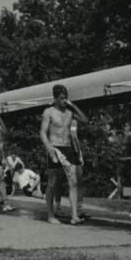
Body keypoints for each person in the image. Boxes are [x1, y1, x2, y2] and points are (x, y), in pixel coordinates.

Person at [40, 84, 88, 225]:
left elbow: (84, 120)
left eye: (66, 98)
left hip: (68, 148)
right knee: (53, 182)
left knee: (73, 182)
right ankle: (50, 215)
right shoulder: (48, 112)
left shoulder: (69, 112)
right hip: (54, 147)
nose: (64, 101)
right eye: (61, 98)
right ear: (55, 98)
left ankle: (74, 216)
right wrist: (49, 148)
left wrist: (73, 105)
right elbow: (42, 132)